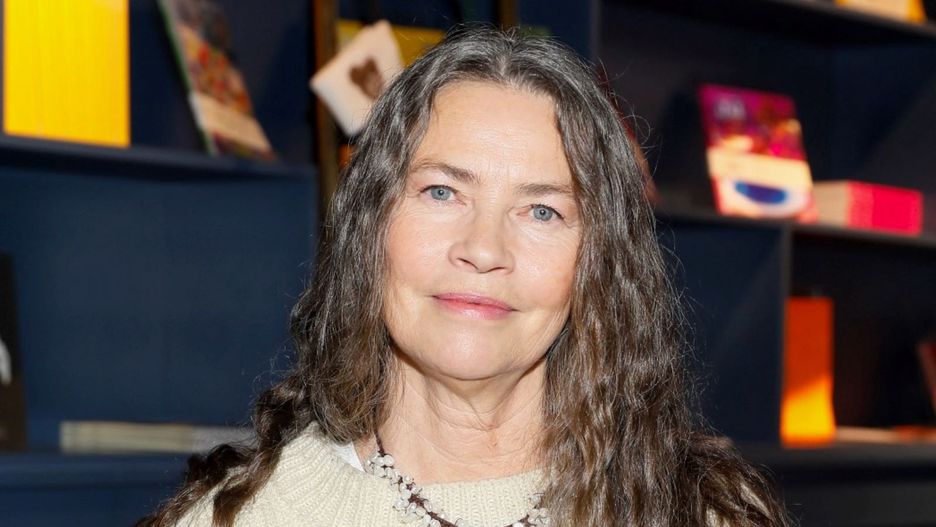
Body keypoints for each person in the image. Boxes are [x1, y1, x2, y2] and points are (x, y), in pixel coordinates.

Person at [141, 26, 789, 527]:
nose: (483, 249)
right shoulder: (242, 516)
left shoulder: (701, 512)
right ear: (370, 228)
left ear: (599, 262)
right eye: (442, 192)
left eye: (542, 210)